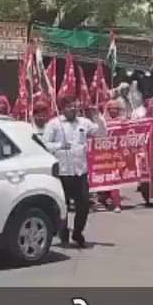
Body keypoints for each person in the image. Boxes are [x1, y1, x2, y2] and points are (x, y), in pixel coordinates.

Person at [43, 101, 99, 248]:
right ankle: (63, 231)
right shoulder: (54, 124)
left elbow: (101, 133)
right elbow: (45, 143)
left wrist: (97, 117)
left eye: (75, 106)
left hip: (80, 172)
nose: (73, 108)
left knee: (84, 205)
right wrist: (60, 146)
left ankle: (78, 232)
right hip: (62, 172)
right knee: (63, 205)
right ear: (63, 109)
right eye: (69, 106)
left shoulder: (84, 122)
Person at [96, 99, 127, 211]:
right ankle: (103, 197)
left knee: (115, 180)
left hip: (118, 156)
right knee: (106, 180)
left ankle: (116, 203)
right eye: (111, 109)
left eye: (116, 109)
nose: (113, 111)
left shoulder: (124, 122)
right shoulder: (102, 122)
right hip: (104, 156)